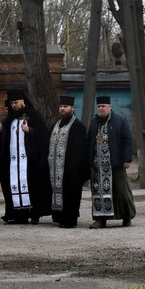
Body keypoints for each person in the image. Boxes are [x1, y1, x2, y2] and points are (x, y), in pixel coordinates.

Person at [0, 89, 51, 224]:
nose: (14, 105)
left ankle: (34, 214)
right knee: (14, 186)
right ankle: (18, 215)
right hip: (13, 162)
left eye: (16, 102)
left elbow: (43, 135)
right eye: (12, 103)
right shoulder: (9, 119)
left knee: (31, 186)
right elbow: (3, 141)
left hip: (29, 162)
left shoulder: (33, 115)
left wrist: (30, 130)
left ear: (23, 101)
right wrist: (1, 132)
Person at [86, 96, 136, 228]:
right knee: (98, 192)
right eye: (99, 107)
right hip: (97, 166)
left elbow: (127, 140)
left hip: (115, 163)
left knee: (120, 192)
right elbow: (89, 142)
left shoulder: (120, 121)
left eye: (103, 106)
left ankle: (126, 216)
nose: (101, 108)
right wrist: (88, 160)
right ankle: (100, 219)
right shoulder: (94, 122)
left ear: (110, 107)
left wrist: (127, 159)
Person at [47, 95, 87, 228]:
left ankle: (70, 220)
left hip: (71, 169)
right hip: (56, 168)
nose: (62, 109)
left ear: (72, 108)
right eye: (61, 106)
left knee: (71, 194)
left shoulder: (78, 126)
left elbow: (80, 150)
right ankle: (59, 217)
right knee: (58, 192)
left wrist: (73, 168)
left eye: (65, 106)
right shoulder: (56, 125)